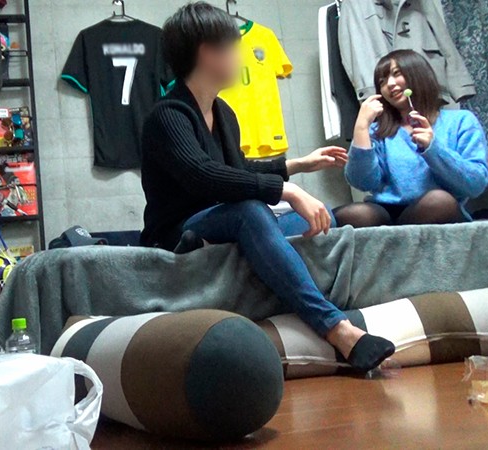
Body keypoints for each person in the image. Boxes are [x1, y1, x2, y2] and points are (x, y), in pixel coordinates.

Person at [140, 2, 394, 372]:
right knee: (251, 211)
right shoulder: (167, 115)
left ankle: (327, 296)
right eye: (234, 45)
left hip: (222, 221)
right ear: (208, 53)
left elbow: (237, 170)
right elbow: (203, 175)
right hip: (178, 231)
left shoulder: (223, 112)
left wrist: (298, 164)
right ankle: (338, 329)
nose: (241, 55)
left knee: (321, 218)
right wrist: (287, 191)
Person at [335, 50, 488, 228]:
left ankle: (397, 236)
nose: (389, 84)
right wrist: (361, 128)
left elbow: (476, 184)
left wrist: (433, 149)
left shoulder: (460, 121)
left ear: (418, 74)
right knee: (354, 214)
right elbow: (362, 182)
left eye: (396, 74)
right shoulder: (377, 130)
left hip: (435, 210)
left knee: (438, 201)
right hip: (386, 214)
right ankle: (398, 235)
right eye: (382, 82)